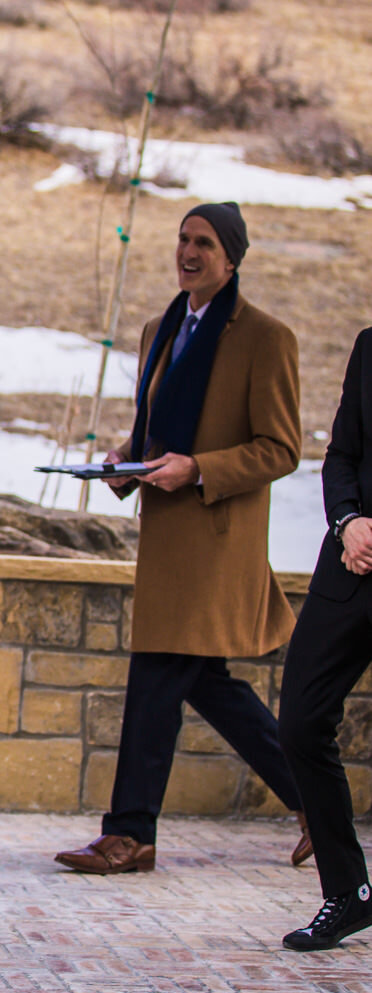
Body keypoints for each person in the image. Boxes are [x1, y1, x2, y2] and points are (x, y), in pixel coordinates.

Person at [54, 202, 310, 876]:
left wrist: (200, 469)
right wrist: (124, 462)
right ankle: (317, 802)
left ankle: (129, 835)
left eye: (203, 243)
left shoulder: (264, 338)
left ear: (232, 259)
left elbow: (281, 448)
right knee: (204, 681)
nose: (187, 253)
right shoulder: (158, 330)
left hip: (217, 540)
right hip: (168, 539)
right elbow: (158, 431)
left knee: (160, 676)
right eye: (182, 240)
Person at [276, 329, 372, 951]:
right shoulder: (368, 346)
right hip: (352, 567)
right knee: (301, 720)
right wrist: (350, 521)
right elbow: (340, 456)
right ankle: (349, 892)